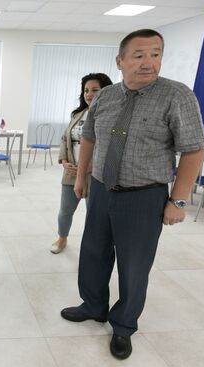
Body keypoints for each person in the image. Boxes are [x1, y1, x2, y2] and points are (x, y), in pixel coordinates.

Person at [60, 29, 204, 360]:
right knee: (94, 252)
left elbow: (193, 151)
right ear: (120, 61)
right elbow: (89, 140)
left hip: (144, 196)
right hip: (101, 189)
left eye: (155, 54)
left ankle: (124, 325)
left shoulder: (177, 96)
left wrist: (177, 200)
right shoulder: (106, 97)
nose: (148, 63)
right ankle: (93, 305)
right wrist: (81, 178)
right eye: (139, 55)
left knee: (134, 265)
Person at [51, 73, 113, 254]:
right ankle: (62, 239)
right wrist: (64, 161)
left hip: (96, 174)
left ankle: (91, 246)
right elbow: (65, 138)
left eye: (95, 90)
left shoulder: (110, 116)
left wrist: (87, 169)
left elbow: (109, 147)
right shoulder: (78, 114)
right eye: (86, 90)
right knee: (65, 211)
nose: (89, 94)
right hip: (72, 171)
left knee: (93, 214)